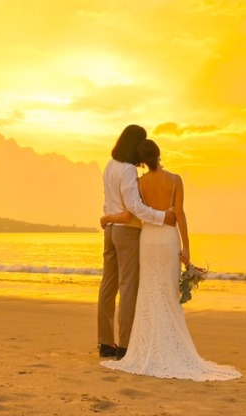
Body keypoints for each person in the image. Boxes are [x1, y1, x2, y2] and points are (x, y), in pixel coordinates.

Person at [100, 139, 240, 381]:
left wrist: (108, 217)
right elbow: (180, 215)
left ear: (142, 160)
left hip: (147, 239)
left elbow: (134, 210)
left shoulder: (140, 182)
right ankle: (165, 344)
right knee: (167, 293)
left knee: (148, 291)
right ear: (159, 154)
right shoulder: (175, 180)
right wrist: (187, 248)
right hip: (166, 239)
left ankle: (143, 346)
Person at [97, 125, 177, 361]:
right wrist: (162, 217)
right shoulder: (128, 170)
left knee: (108, 286)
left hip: (110, 230)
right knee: (128, 286)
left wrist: (110, 217)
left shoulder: (109, 166)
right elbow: (133, 206)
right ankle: (124, 345)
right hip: (126, 232)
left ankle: (104, 342)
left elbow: (109, 202)